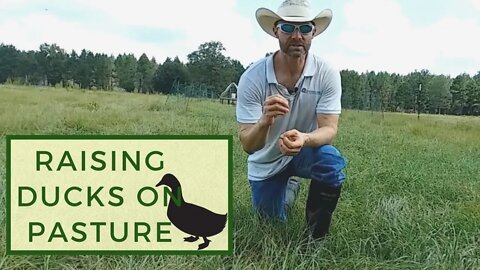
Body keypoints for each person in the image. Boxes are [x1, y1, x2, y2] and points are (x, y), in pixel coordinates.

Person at [236, 0, 346, 239]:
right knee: (271, 227)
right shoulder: (253, 78)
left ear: (313, 32)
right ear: (276, 30)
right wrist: (265, 121)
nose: (297, 35)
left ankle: (315, 240)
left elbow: (329, 129)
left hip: (302, 151)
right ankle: (287, 186)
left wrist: (305, 138)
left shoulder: (326, 73)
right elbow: (248, 145)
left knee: (331, 161)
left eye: (305, 28)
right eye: (288, 28)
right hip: (266, 163)